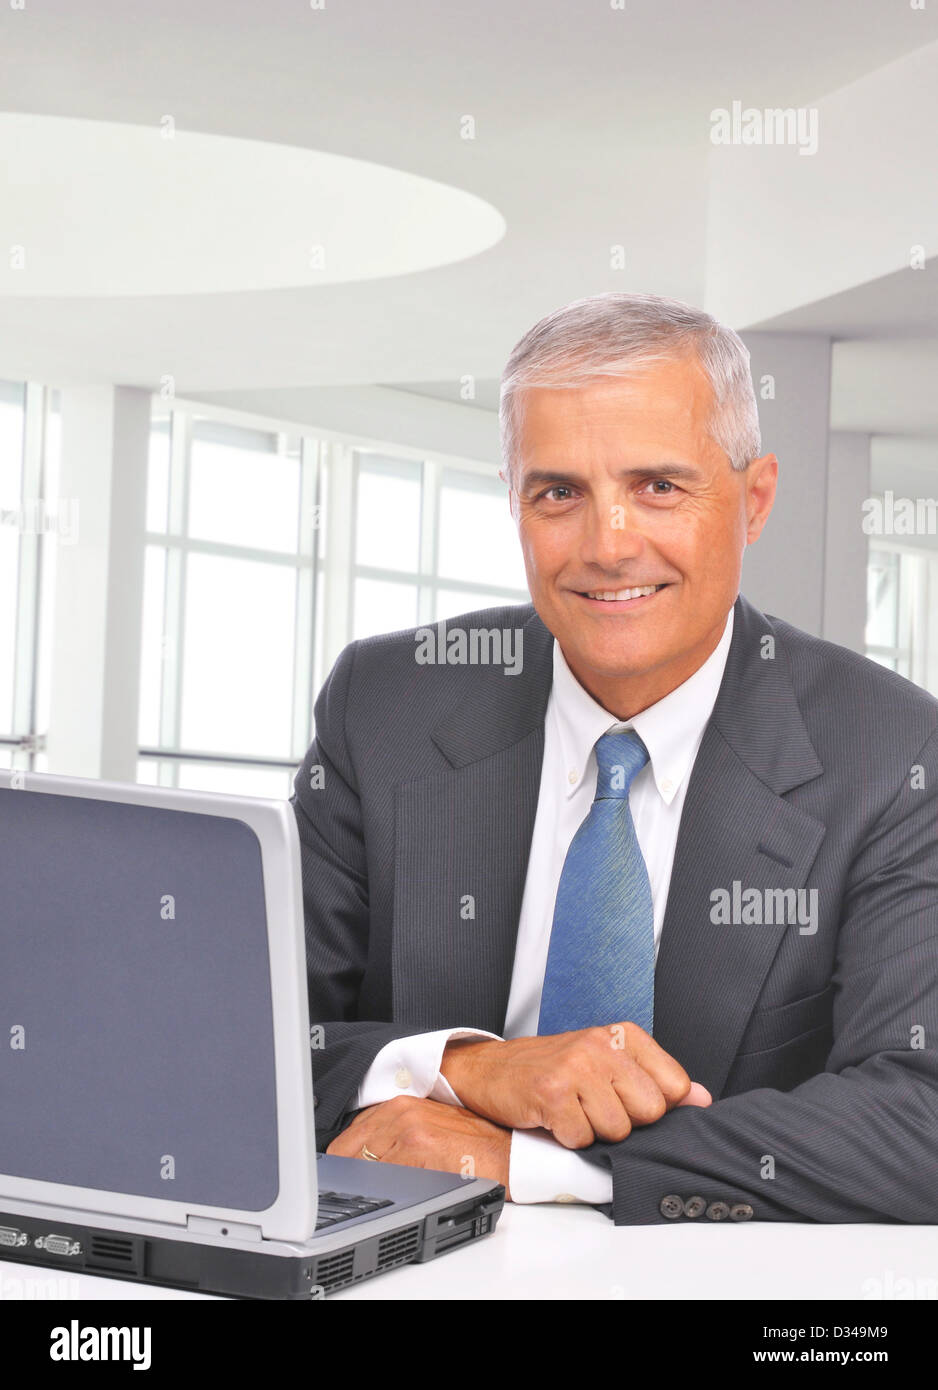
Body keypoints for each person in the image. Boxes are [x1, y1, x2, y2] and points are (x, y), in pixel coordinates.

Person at [291, 292, 938, 1224]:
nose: (608, 545)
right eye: (559, 493)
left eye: (659, 488)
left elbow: (918, 1118)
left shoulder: (891, 753)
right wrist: (468, 1066)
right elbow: (238, 1034)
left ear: (753, 503)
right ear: (514, 505)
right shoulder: (386, 703)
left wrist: (529, 1163)